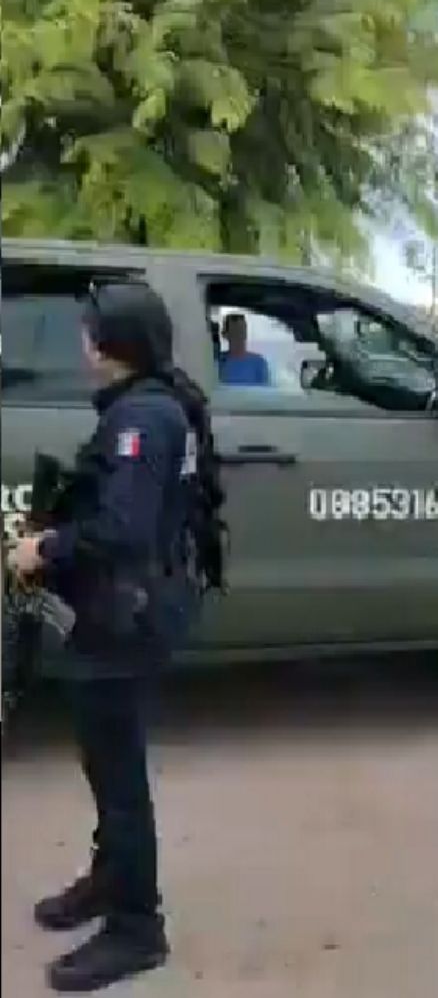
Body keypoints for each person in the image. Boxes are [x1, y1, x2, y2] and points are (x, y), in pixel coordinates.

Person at [8, 281, 226, 993]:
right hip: (133, 607)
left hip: (125, 615)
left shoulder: (141, 419)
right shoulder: (161, 401)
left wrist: (45, 550)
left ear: (113, 345)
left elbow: (123, 531)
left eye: (88, 331)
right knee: (106, 762)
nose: (82, 342)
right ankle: (109, 880)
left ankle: (138, 927)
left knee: (118, 773)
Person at [218, 311, 271, 386]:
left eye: (242, 331)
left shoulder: (259, 363)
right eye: (235, 331)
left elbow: (265, 392)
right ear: (225, 335)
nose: (240, 336)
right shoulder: (218, 361)